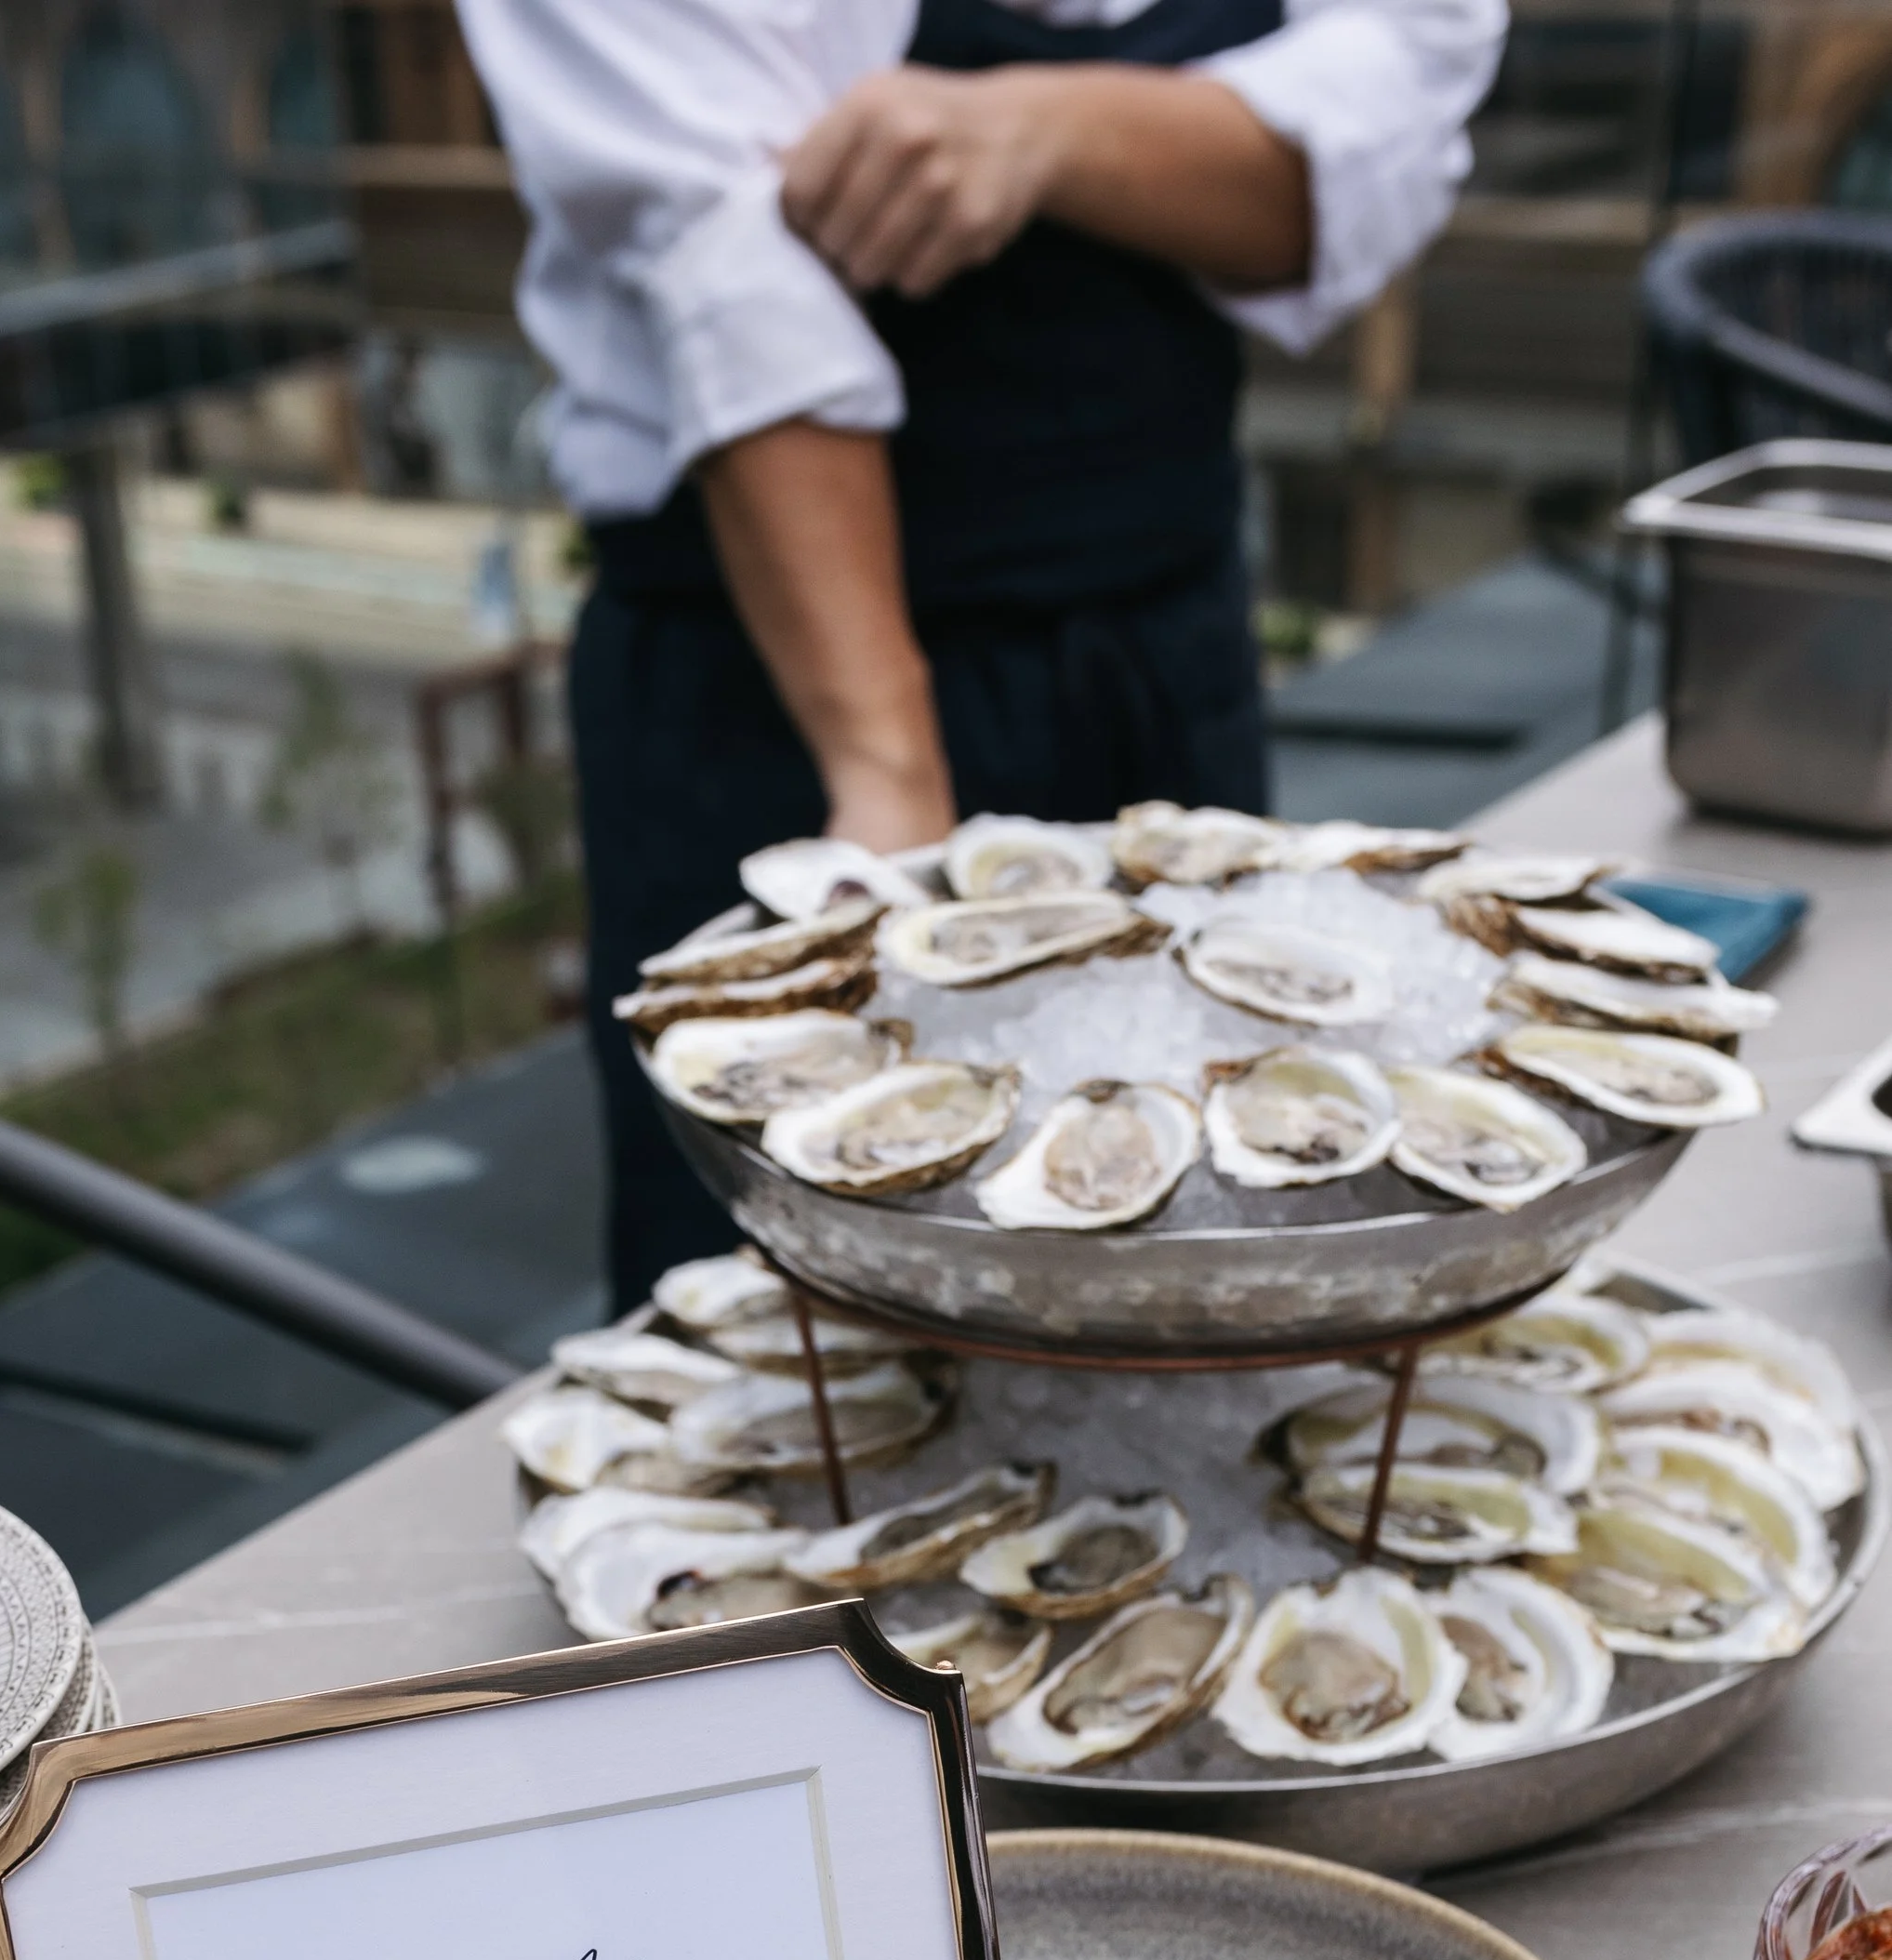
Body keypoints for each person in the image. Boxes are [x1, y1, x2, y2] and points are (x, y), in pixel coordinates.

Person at [456, 0, 1507, 1310]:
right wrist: (886, 780)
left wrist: (1045, 130)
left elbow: (1395, 96)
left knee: (1211, 1242)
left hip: (1162, 645)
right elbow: (724, 259)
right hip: (781, 690)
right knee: (780, 1307)